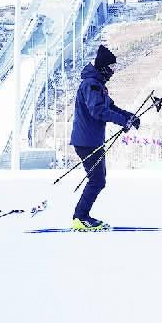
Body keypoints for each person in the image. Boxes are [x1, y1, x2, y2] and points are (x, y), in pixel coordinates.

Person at [70, 45, 139, 231]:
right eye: (111, 68)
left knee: (98, 180)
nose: (113, 72)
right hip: (86, 141)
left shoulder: (98, 85)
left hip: (92, 140)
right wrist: (122, 121)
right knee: (97, 180)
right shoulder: (91, 85)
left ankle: (81, 216)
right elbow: (98, 111)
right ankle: (80, 217)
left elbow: (111, 107)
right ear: (103, 67)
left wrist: (129, 117)